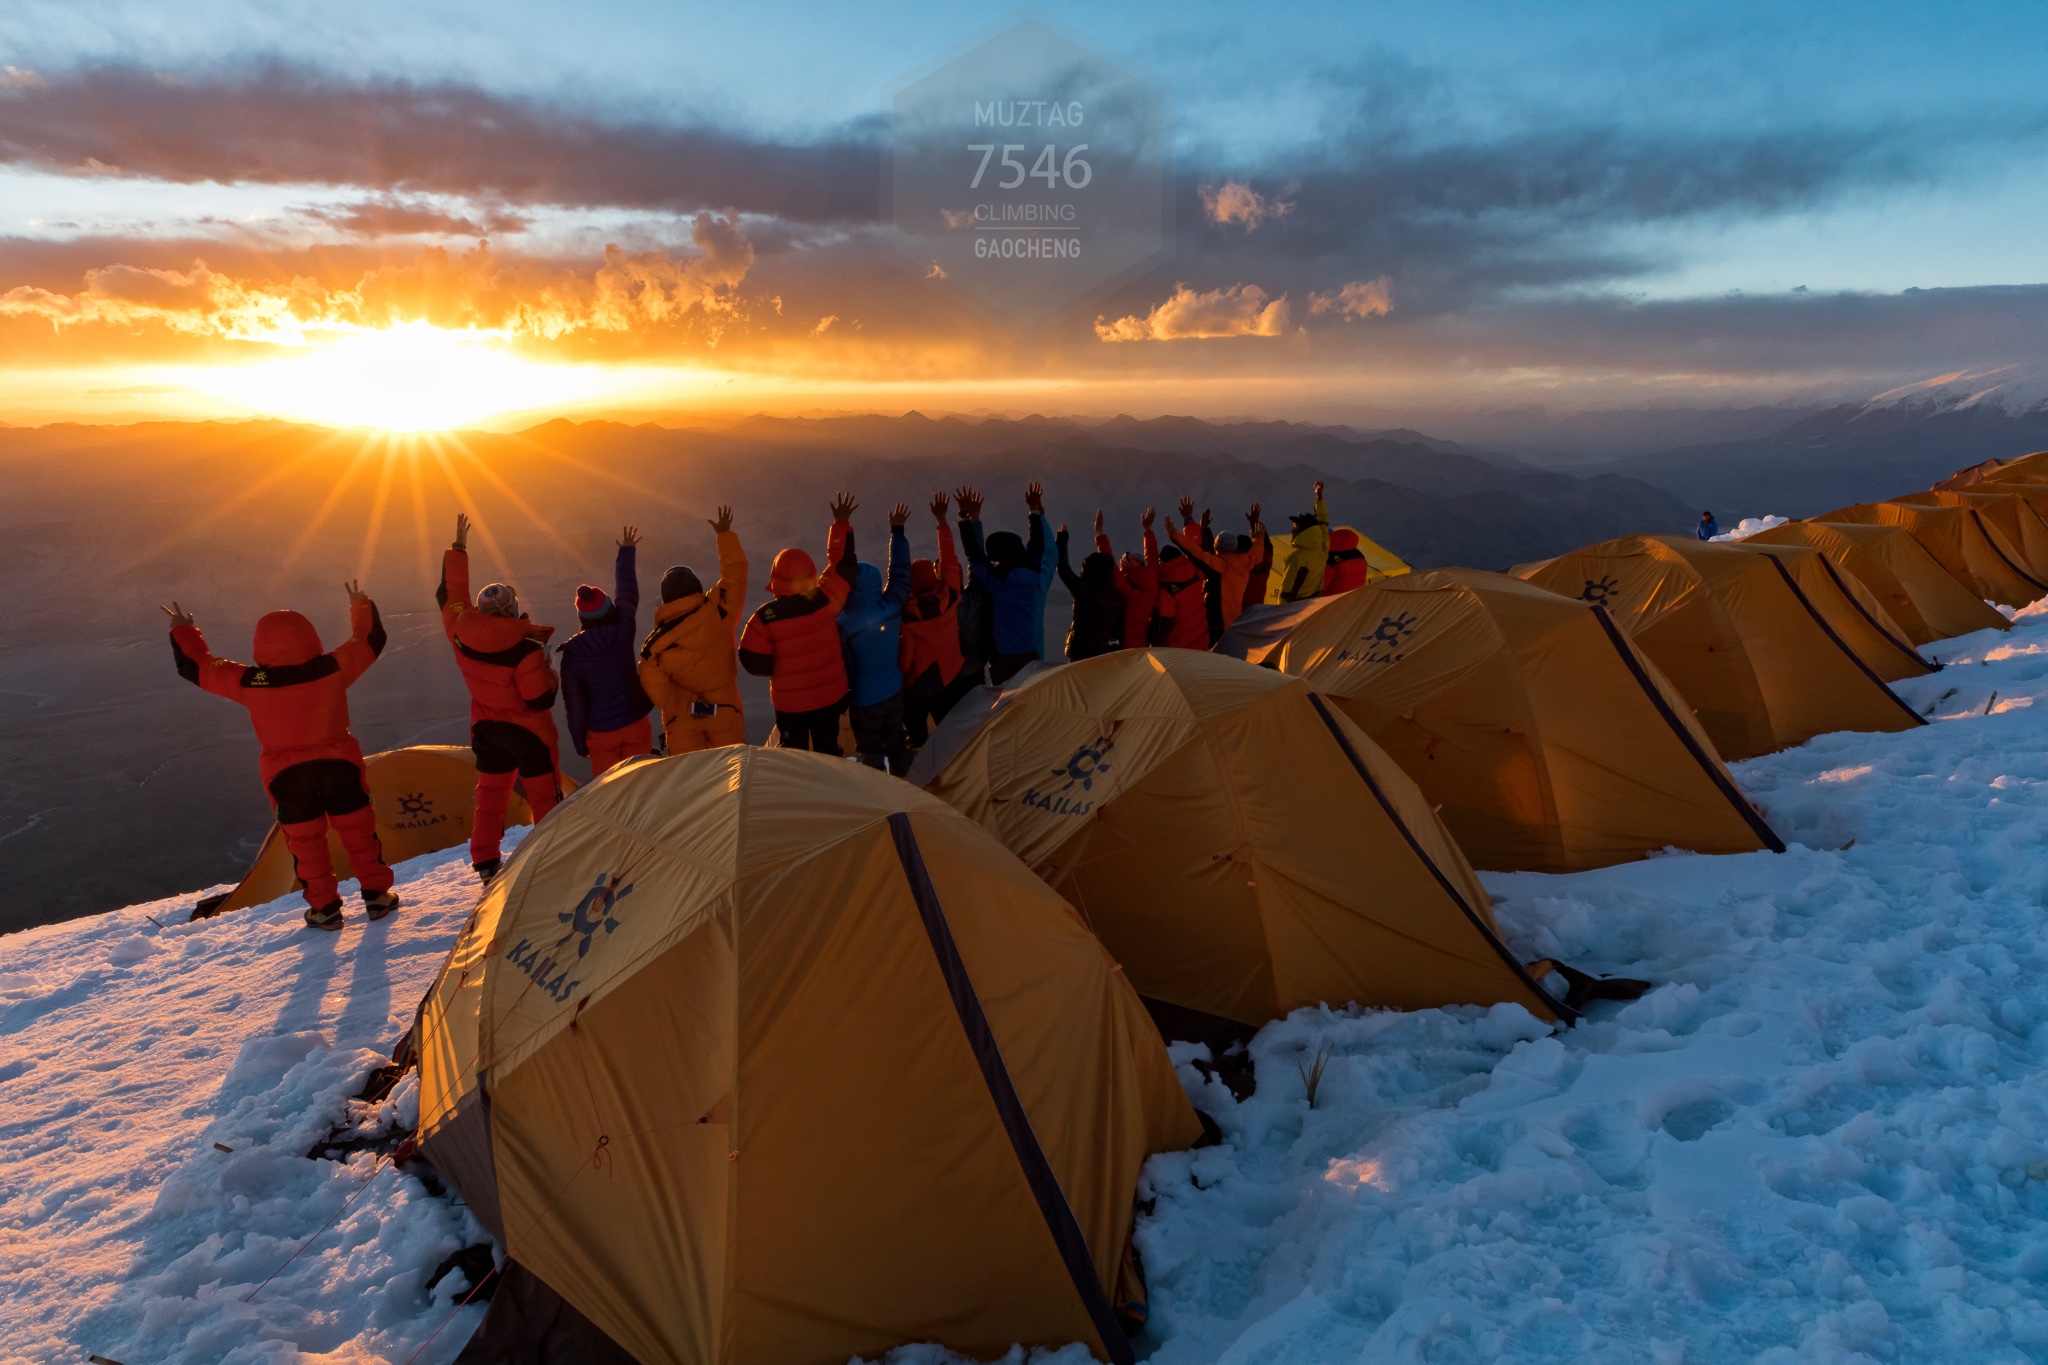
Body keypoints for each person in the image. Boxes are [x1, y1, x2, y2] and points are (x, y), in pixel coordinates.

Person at [164, 584, 399, 930]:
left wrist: (183, 629)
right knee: (359, 832)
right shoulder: (331, 668)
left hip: (287, 775)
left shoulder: (251, 681)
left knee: (306, 843)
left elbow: (196, 666)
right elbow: (370, 640)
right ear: (310, 637)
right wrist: (360, 604)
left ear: (261, 644)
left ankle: (325, 910)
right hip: (340, 766)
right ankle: (377, 896)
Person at [439, 513, 563, 883]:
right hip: (528, 735)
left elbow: (453, 596)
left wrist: (458, 549)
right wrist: (550, 670)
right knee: (544, 797)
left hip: (487, 729)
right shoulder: (525, 650)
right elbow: (538, 700)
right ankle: (552, 856)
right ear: (511, 609)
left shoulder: (461, 634)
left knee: (491, 796)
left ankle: (486, 860)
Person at [739, 493, 858, 753]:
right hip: (830, 698)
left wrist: (781, 668)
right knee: (828, 749)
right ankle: (835, 790)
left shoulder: (765, 617)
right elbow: (844, 564)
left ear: (776, 578)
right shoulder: (827, 600)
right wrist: (840, 523)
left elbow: (752, 661)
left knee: (793, 755)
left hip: (790, 705)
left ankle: (800, 793)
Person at [640, 505, 749, 756]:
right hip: (725, 710)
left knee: (692, 781)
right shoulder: (722, 612)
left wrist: (690, 706)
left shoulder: (654, 648)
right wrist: (725, 535)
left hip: (682, 720)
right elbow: (736, 573)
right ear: (698, 588)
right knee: (733, 772)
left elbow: (660, 695)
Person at [559, 526, 654, 777]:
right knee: (642, 782)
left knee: (611, 795)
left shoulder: (572, 655)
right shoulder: (623, 631)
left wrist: (581, 744)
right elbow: (627, 591)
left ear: (582, 616)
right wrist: (627, 550)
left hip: (601, 734)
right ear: (609, 609)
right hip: (635, 721)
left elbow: (575, 705)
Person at [838, 501, 915, 773]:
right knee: (897, 744)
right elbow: (901, 574)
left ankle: (879, 799)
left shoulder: (844, 625)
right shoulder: (892, 608)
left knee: (870, 750)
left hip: (863, 699)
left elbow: (845, 669)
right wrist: (897, 531)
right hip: (893, 690)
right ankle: (907, 788)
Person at [962, 481, 1057, 684]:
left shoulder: (997, 581)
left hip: (1003, 657)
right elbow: (1038, 545)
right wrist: (1034, 510)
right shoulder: (1033, 574)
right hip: (1030, 653)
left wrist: (968, 518)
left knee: (1005, 705)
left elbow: (975, 556)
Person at [900, 491, 966, 748]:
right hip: (949, 675)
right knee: (949, 733)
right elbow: (949, 560)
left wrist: (902, 683)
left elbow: (905, 659)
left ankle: (921, 775)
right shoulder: (949, 596)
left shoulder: (909, 616)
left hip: (920, 686)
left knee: (917, 737)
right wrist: (942, 522)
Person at [1167, 498, 1267, 630]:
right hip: (1235, 620)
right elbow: (1256, 553)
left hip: (1217, 623)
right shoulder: (1245, 563)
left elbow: (1194, 551)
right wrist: (1258, 537)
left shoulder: (1218, 566)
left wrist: (1175, 533)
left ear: (1216, 547)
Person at [1056, 509, 1127, 660]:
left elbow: (1063, 568)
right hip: (1103, 655)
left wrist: (1062, 539)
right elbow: (1118, 632)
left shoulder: (1083, 590)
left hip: (1079, 653)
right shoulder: (1118, 599)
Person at [1110, 509, 1162, 651]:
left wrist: (1100, 534)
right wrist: (1148, 530)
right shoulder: (1151, 580)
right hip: (1141, 641)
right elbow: (1152, 558)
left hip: (1121, 643)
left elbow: (1109, 565)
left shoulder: (1126, 588)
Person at [1278, 481, 1330, 602]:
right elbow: (1322, 522)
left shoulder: (1296, 558)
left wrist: (1278, 617)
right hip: (1314, 605)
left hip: (1296, 609)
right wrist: (1319, 497)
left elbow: (1286, 593)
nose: (1292, 530)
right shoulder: (1322, 547)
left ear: (1304, 531)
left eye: (1295, 526)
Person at [1322, 527, 1373, 596]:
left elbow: (1321, 586)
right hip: (1354, 598)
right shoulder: (1359, 555)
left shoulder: (1331, 559)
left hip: (1332, 601)